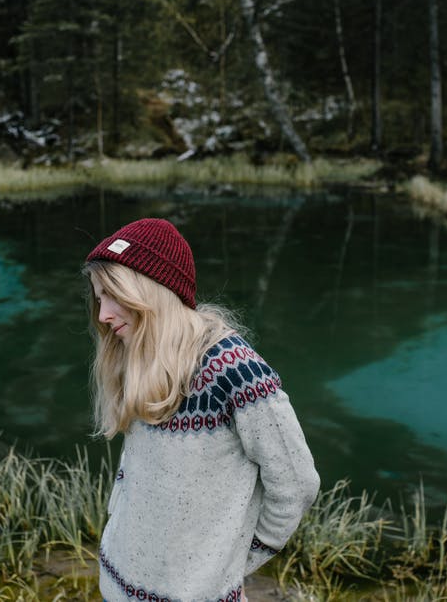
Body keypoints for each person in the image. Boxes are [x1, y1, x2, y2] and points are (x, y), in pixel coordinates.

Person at [84, 217, 320, 602]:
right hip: (117, 586)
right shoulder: (143, 358)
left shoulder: (234, 371)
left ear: (149, 292)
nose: (102, 315)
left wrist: (235, 561)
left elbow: (296, 483)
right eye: (98, 297)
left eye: (112, 295)